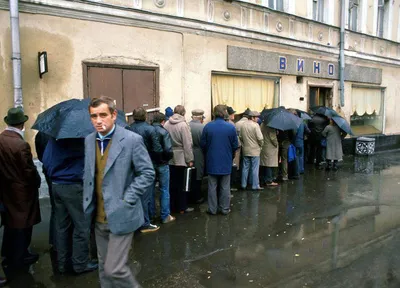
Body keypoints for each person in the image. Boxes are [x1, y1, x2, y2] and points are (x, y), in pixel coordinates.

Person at [83, 96, 155, 287]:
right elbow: (91, 173)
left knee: (114, 268)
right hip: (98, 216)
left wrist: (128, 198)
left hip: (122, 212)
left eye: (103, 115)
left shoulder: (132, 140)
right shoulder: (89, 140)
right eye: (94, 116)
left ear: (114, 115)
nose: (98, 120)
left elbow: (147, 173)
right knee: (103, 266)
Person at [42, 137, 98, 274]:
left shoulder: (54, 139)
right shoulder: (79, 140)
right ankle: (80, 264)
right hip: (73, 186)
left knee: (62, 226)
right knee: (82, 225)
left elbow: (46, 162)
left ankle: (63, 263)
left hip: (56, 185)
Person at [0, 107, 41, 282]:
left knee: (10, 223)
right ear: (22, 124)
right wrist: (37, 180)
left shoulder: (1, 139)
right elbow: (28, 171)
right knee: (23, 226)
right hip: (22, 192)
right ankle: (20, 256)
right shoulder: (21, 144)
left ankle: (9, 254)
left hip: (5, 189)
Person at [127, 108, 162, 233]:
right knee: (147, 195)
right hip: (147, 164)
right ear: (145, 116)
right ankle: (145, 222)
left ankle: (137, 221)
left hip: (131, 165)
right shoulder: (150, 129)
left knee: (135, 193)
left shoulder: (128, 129)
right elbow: (157, 149)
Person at [201, 105, 238, 215]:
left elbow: (203, 144)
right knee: (225, 186)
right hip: (226, 160)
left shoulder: (207, 127)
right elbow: (235, 145)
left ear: (214, 113)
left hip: (212, 160)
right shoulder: (230, 127)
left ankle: (212, 209)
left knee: (212, 186)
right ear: (225, 113)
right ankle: (224, 208)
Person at [164, 105, 194, 214]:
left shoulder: (167, 124)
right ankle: (182, 207)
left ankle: (172, 207)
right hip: (181, 158)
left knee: (172, 184)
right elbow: (187, 144)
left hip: (170, 157)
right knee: (182, 184)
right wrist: (189, 159)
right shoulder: (183, 125)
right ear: (183, 113)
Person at [34, 131, 58, 272]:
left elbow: (41, 155)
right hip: (63, 174)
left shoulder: (40, 135)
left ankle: (54, 241)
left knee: (55, 207)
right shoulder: (60, 135)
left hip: (49, 172)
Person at [151, 112, 175, 224]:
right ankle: (165, 215)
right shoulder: (163, 132)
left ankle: (151, 215)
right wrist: (167, 159)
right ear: (162, 121)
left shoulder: (148, 130)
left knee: (150, 190)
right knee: (164, 189)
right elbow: (168, 150)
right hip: (162, 164)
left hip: (150, 164)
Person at [239, 111, 264, 191]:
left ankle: (243, 184)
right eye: (256, 117)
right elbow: (260, 138)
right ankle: (255, 185)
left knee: (245, 168)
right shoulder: (256, 126)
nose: (257, 119)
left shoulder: (243, 125)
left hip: (246, 149)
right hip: (255, 150)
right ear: (252, 117)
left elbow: (240, 137)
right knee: (255, 168)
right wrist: (260, 145)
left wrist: (244, 145)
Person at [189, 109, 205, 204]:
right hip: (199, 153)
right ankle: (197, 196)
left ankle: (189, 195)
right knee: (198, 175)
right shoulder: (202, 127)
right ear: (201, 118)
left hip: (188, 152)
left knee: (189, 174)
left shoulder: (187, 125)